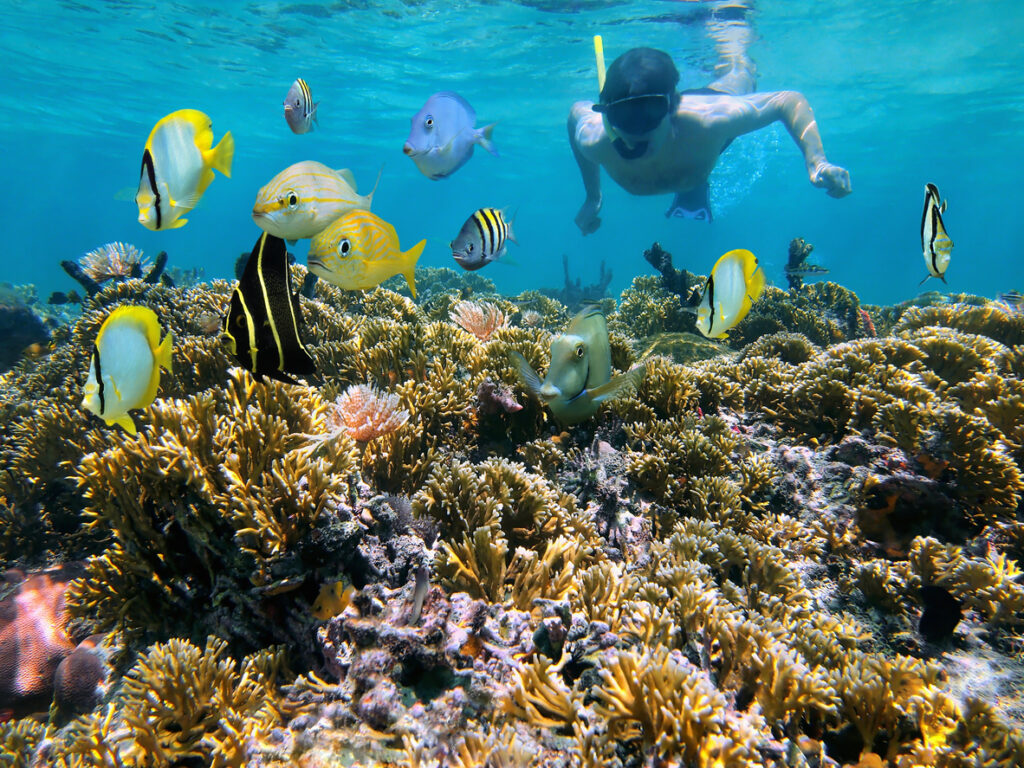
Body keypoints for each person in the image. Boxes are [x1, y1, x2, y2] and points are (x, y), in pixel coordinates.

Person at [568, 3, 850, 233]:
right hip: (689, 144)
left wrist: (817, 161)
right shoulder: (595, 139)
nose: (637, 129)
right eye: (623, 116)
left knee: (740, 72)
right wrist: (593, 196)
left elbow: (787, 100)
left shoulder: (712, 120)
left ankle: (730, 32)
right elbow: (575, 114)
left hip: (706, 108)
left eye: (650, 112)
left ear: (671, 106)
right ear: (607, 114)